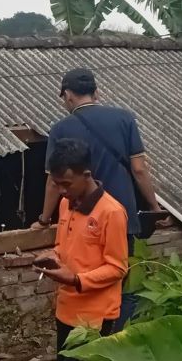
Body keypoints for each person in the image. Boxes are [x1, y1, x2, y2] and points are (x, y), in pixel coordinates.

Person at [31, 67, 166, 329]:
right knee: (118, 278)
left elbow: (52, 180)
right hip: (122, 215)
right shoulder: (125, 119)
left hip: (82, 216)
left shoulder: (60, 128)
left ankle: (86, 341)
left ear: (68, 95)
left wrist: (45, 219)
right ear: (96, 92)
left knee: (83, 278)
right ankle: (114, 344)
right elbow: (139, 169)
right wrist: (154, 207)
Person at [34, 138, 128, 361]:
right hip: (67, 310)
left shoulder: (111, 212)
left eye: (66, 183)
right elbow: (65, 247)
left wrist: (75, 279)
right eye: (57, 183)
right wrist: (52, 257)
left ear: (85, 174)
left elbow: (117, 267)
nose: (61, 190)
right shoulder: (66, 205)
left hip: (93, 317)